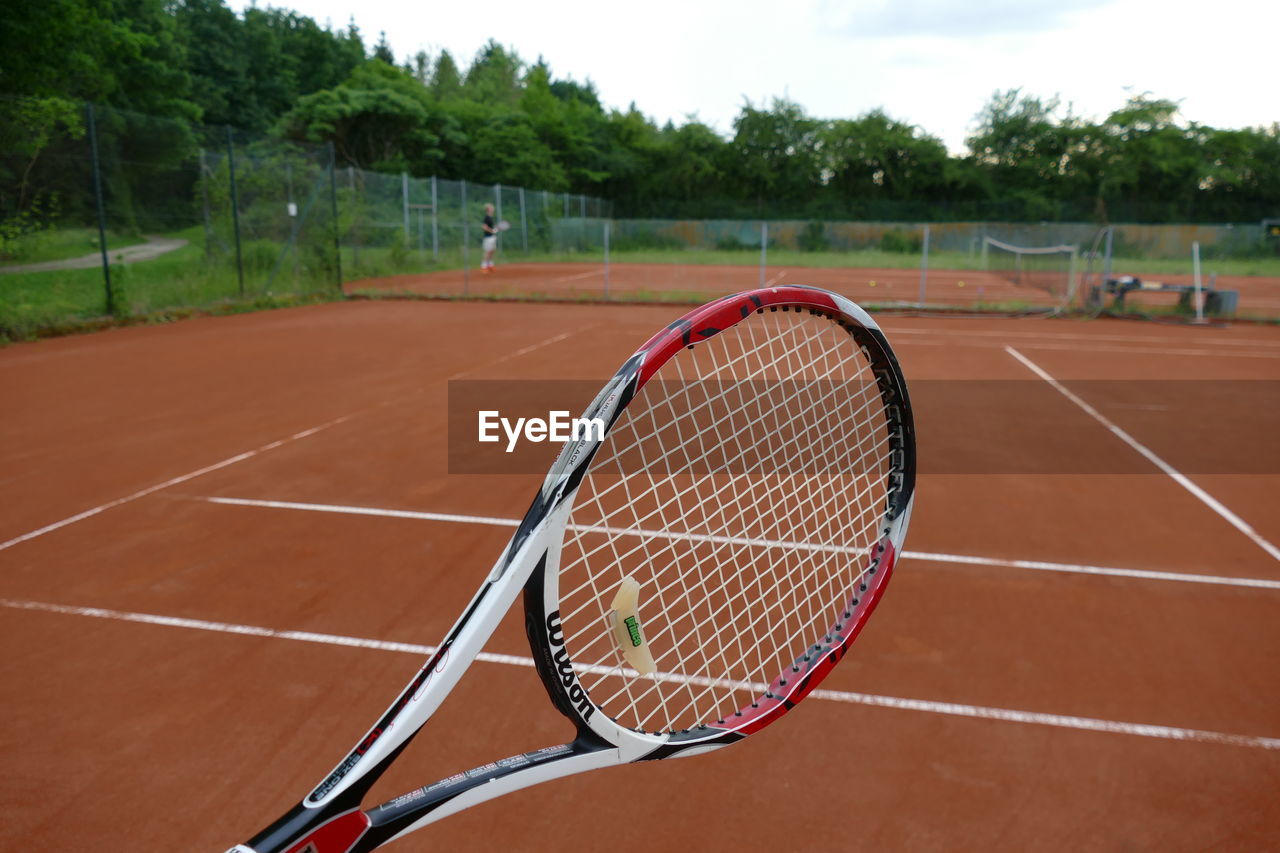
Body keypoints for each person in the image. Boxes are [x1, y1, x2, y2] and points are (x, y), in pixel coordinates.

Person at [481, 203, 498, 273]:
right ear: (488, 209)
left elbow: (491, 227)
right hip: (488, 238)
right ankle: (483, 266)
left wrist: (495, 229)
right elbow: (484, 227)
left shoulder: (491, 217)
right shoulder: (486, 218)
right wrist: (492, 231)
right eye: (491, 207)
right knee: (487, 252)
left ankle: (490, 265)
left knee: (492, 251)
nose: (493, 208)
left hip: (492, 237)